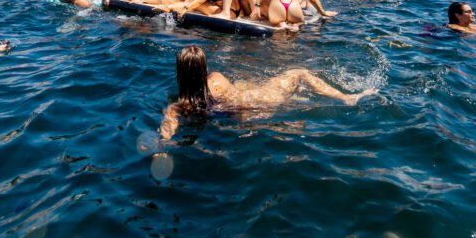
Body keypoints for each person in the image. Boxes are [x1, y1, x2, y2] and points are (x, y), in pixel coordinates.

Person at [159, 46, 378, 140]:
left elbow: (166, 132)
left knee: (246, 83)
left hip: (243, 117)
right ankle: (346, 98)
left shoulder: (179, 105)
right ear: (203, 67)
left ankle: (281, 124)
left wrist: (162, 148)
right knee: (298, 73)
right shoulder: (216, 78)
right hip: (261, 103)